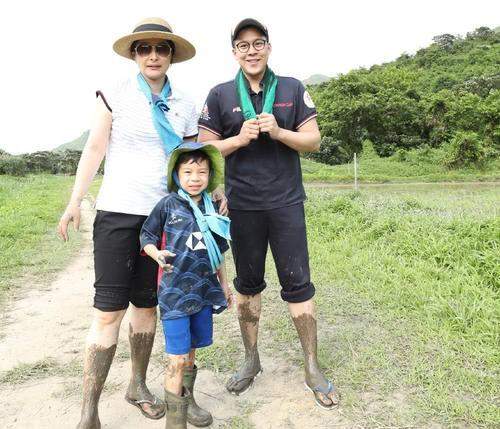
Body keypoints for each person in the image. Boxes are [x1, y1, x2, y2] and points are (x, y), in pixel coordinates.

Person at [57, 18, 227, 428]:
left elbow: (192, 159)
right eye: (144, 48)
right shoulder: (114, 94)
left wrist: (215, 193)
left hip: (170, 220)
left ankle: (141, 386)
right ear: (134, 54)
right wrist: (75, 200)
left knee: (148, 307)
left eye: (161, 48)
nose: (153, 55)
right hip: (118, 212)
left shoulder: (186, 102)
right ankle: (89, 413)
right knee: (108, 312)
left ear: (171, 55)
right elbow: (96, 147)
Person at [198, 18, 340, 409]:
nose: (251, 50)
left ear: (268, 47)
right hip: (241, 206)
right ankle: (251, 358)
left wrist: (279, 133)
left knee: (299, 284)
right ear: (234, 53)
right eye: (242, 45)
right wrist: (239, 139)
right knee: (247, 286)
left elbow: (312, 140)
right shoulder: (220, 94)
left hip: (286, 203)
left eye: (257, 43)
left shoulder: (292, 88)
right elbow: (205, 151)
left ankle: (311, 365)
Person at [141, 142, 234, 428]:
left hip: (203, 293)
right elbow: (146, 236)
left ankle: (188, 403)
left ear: (210, 175)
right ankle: (175, 423)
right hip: (175, 295)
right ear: (177, 175)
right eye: (188, 171)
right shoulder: (168, 204)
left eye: (202, 172)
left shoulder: (213, 205)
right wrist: (156, 254)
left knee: (191, 354)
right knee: (177, 360)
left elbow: (217, 252)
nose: (195, 178)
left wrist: (225, 283)